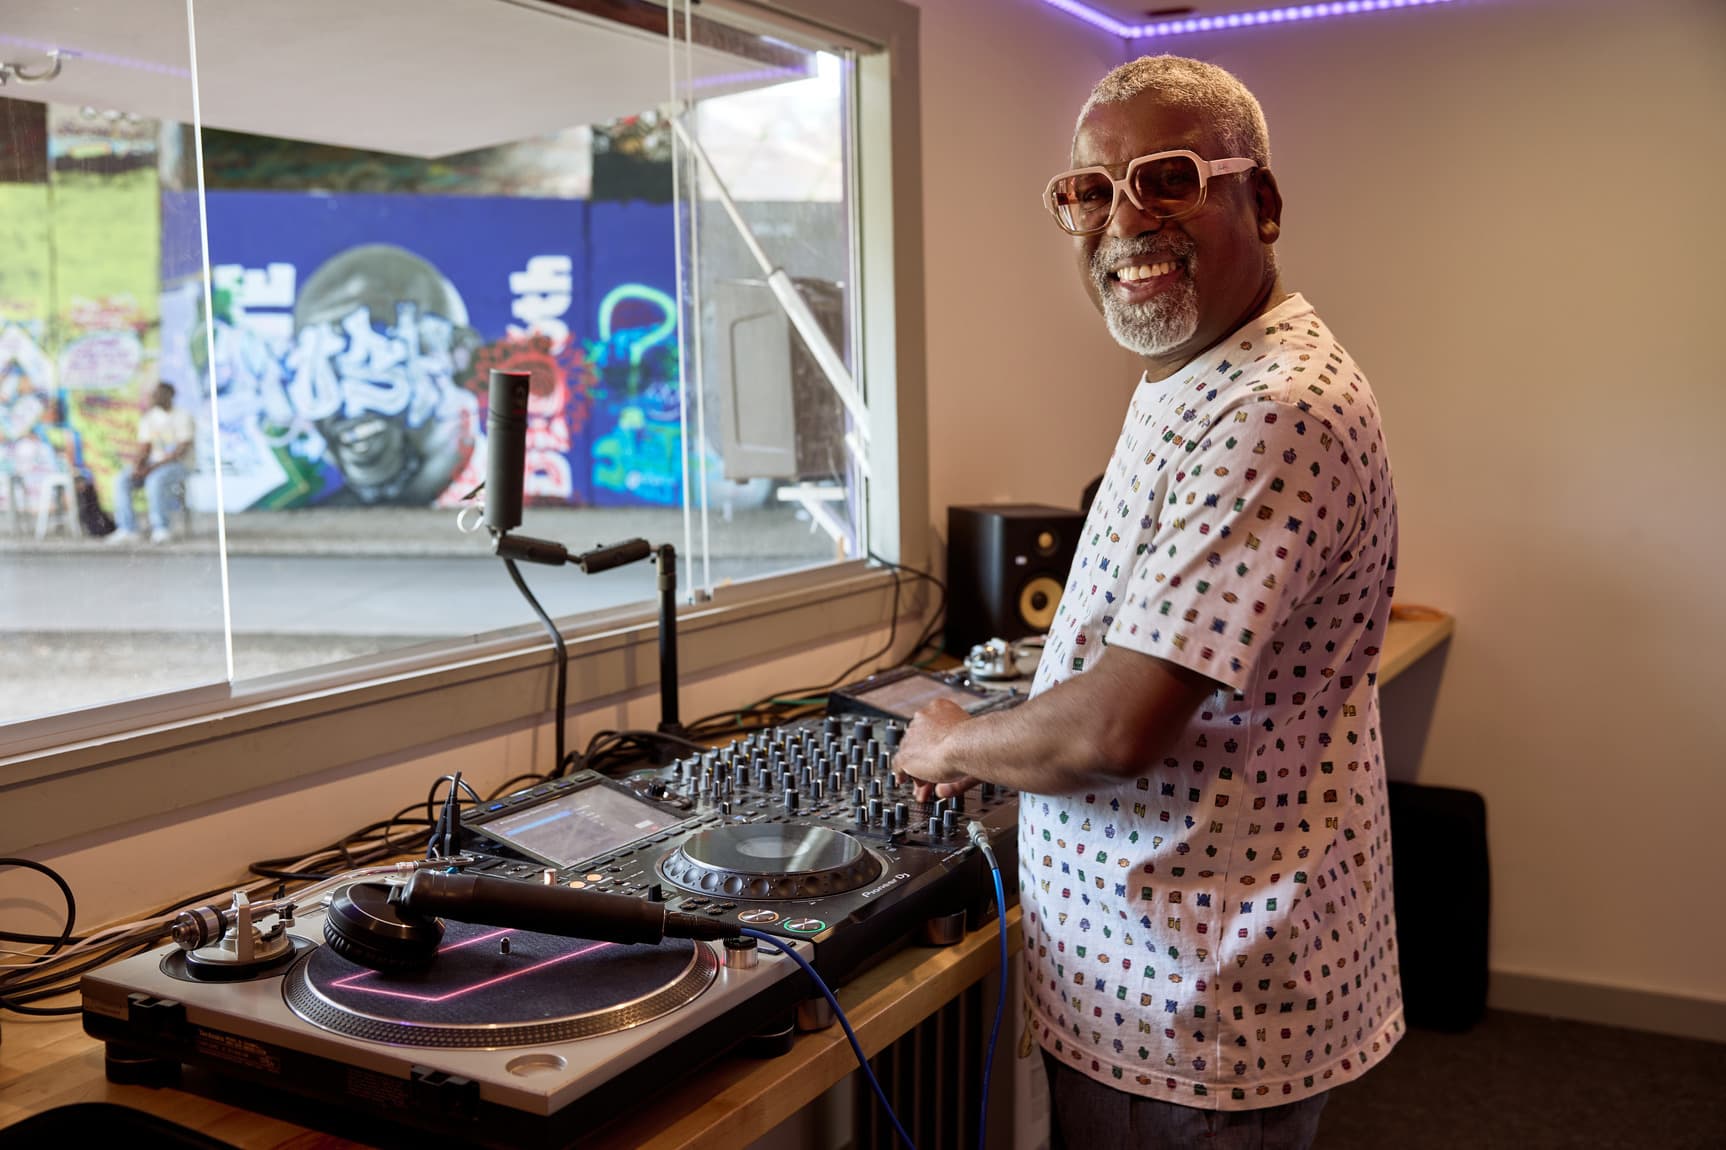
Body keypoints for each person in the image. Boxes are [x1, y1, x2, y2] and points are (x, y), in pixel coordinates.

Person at [894, 55, 1401, 1149]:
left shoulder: (1272, 410)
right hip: (1152, 989)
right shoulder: (1197, 364)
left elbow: (1119, 726)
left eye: (1164, 180)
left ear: (1258, 204)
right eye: (1087, 190)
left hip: (1196, 1015)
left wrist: (953, 741)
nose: (1122, 220)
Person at [109, 382, 195, 544]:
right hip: (152, 464)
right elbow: (145, 448)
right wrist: (137, 467)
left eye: (158, 394)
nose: (154, 398)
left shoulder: (183, 416)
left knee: (155, 480)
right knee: (122, 480)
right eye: (153, 394)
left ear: (170, 396)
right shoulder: (149, 418)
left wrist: (150, 469)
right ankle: (128, 529)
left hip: (179, 465)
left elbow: (180, 451)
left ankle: (161, 528)